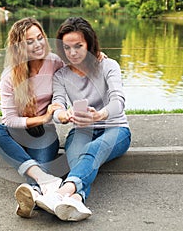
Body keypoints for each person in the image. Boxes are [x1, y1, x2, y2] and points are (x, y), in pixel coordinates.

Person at [35, 17, 131, 222]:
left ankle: (59, 194)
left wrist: (100, 115)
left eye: (78, 46)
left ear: (89, 43)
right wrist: (64, 115)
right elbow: (57, 106)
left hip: (116, 128)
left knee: (91, 151)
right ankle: (77, 198)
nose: (72, 53)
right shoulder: (61, 75)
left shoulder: (108, 66)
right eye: (67, 48)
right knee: (79, 159)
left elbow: (118, 101)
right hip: (81, 130)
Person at [0, 17, 64, 218]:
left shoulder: (54, 62)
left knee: (41, 174)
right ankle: (45, 184)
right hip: (16, 133)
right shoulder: (10, 75)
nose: (38, 45)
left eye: (40, 38)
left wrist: (98, 56)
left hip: (44, 135)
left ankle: (34, 195)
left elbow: (77, 68)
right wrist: (43, 118)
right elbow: (9, 120)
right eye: (30, 41)